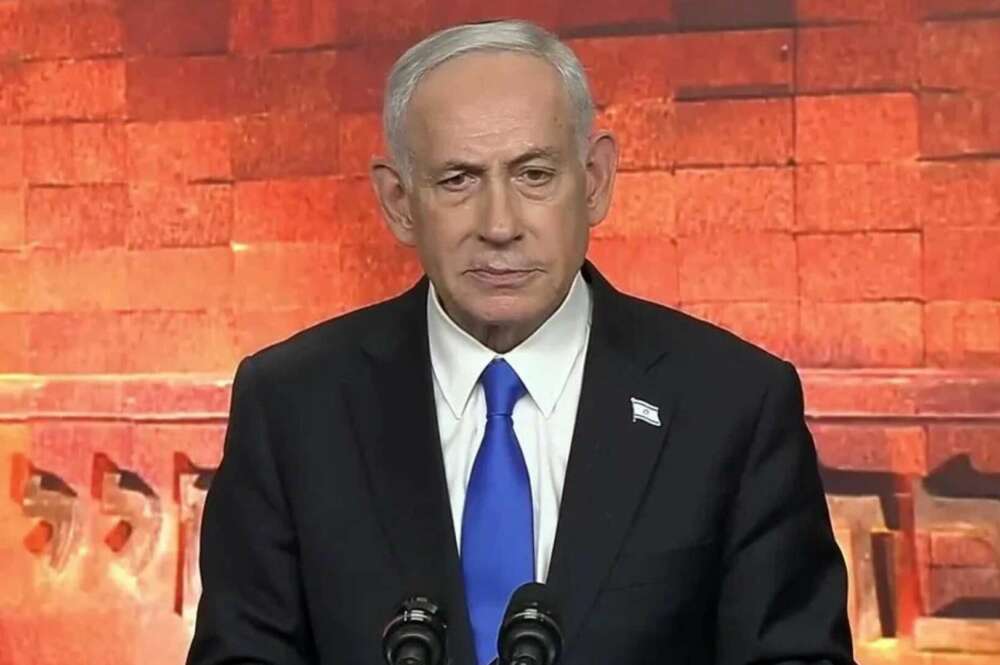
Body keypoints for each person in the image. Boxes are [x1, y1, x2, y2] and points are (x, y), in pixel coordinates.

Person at [187, 19, 854, 665]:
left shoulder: (732, 404)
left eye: (534, 174)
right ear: (398, 202)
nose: (500, 225)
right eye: (458, 179)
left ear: (595, 181)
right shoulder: (293, 405)